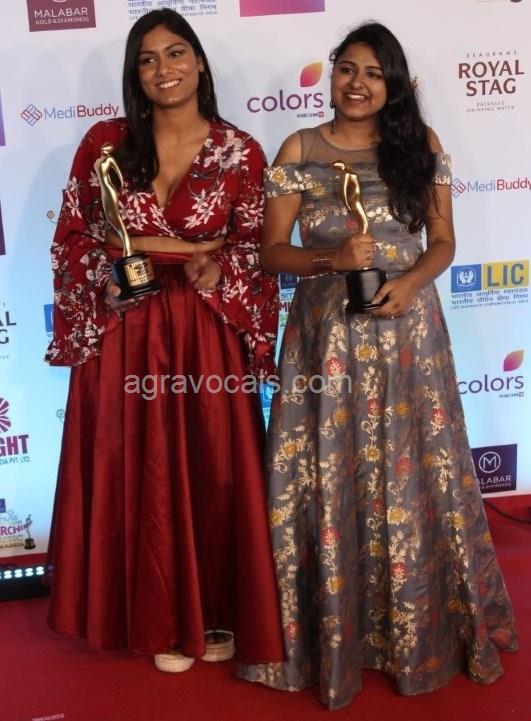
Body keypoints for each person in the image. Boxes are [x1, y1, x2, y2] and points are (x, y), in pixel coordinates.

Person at [238, 22, 517, 709]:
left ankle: (416, 631)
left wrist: (411, 282)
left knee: (411, 472)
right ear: (331, 74)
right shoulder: (299, 148)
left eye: (372, 72)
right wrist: (330, 259)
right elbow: (271, 251)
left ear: (392, 84)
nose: (356, 83)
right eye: (346, 69)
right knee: (324, 475)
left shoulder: (418, 146)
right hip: (325, 337)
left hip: (407, 333)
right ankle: (325, 637)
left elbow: (443, 240)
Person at [45, 8, 284, 673]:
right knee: (134, 468)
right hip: (126, 329)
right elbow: (72, 237)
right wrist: (117, 272)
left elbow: (257, 246)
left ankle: (212, 612)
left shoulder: (240, 150)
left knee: (214, 468)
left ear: (199, 61)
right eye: (147, 59)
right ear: (135, 73)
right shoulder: (104, 143)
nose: (163, 69)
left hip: (204, 330)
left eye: (176, 53)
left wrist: (219, 266)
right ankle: (150, 617)